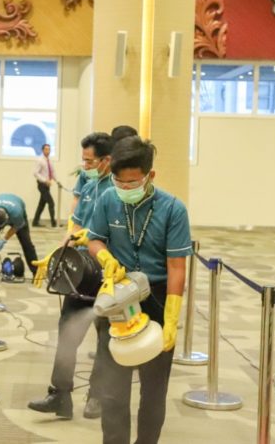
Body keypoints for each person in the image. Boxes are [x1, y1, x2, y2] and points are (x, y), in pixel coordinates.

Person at [87, 136, 192, 444]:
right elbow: (95, 239)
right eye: (119, 181)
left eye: (132, 183)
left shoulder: (173, 209)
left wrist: (171, 319)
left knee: (154, 390)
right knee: (113, 390)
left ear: (150, 176)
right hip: (118, 297)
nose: (125, 188)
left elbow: (176, 267)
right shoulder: (108, 199)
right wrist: (105, 257)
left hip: (157, 298)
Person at [27, 132, 114, 420]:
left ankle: (97, 396)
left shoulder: (116, 190)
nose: (85, 166)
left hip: (108, 271)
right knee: (67, 332)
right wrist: (61, 249)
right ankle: (59, 395)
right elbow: (75, 223)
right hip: (80, 270)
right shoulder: (89, 184)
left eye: (90, 161)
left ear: (107, 160)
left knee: (105, 338)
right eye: (83, 160)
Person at [0, 193, 38, 277]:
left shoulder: (17, 213)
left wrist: (4, 240)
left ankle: (36, 272)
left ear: (7, 218)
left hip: (17, 212)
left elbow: (15, 228)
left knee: (27, 244)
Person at [32, 143, 57, 228]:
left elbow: (52, 172)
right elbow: (35, 173)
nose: (48, 151)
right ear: (42, 150)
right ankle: (54, 223)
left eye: (49, 149)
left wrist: (57, 181)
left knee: (41, 204)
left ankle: (35, 222)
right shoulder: (40, 160)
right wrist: (45, 180)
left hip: (47, 186)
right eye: (46, 149)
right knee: (51, 203)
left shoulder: (49, 160)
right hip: (42, 185)